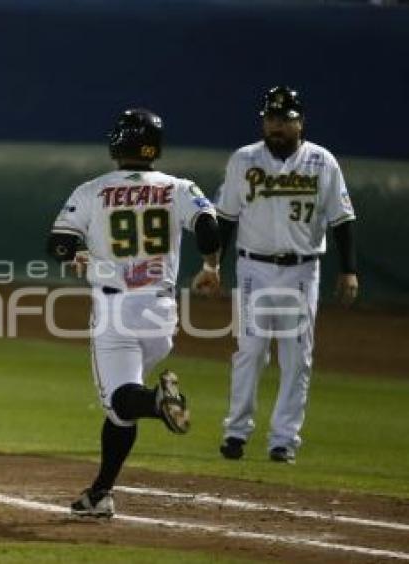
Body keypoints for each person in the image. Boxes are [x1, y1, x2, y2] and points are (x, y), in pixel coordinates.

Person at [47, 108, 221, 517]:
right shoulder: (179, 187)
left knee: (122, 401)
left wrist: (77, 252)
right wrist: (211, 265)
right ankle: (100, 494)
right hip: (162, 312)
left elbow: (56, 244)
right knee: (123, 412)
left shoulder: (92, 190)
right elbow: (210, 227)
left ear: (118, 142)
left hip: (116, 308)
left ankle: (160, 398)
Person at [215, 85, 358, 464]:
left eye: (284, 119)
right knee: (251, 351)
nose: (276, 125)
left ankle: (283, 440)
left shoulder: (322, 162)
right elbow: (225, 219)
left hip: (302, 269)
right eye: (271, 118)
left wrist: (349, 270)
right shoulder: (243, 160)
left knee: (297, 357)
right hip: (253, 267)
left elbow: (341, 220)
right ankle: (235, 432)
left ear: (300, 122)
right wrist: (212, 265)